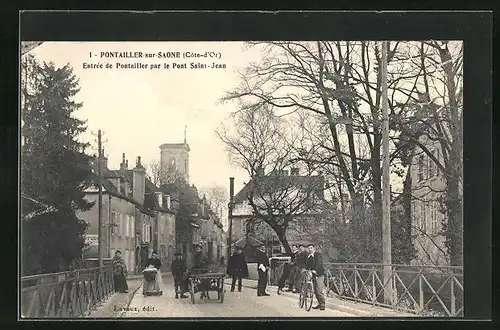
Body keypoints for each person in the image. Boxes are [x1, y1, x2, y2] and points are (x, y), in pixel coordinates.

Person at [305, 243, 326, 310]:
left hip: (319, 274)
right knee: (316, 291)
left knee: (319, 290)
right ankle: (319, 304)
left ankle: (322, 304)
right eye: (309, 248)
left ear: (314, 248)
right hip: (313, 275)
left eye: (311, 248)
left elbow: (319, 263)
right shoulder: (309, 257)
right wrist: (305, 270)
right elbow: (307, 266)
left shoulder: (318, 255)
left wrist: (315, 270)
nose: (310, 249)